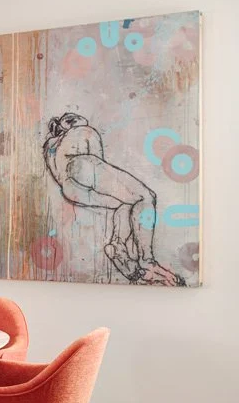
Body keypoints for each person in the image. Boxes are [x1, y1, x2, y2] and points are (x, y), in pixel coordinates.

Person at [43, 112, 183, 286]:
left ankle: (117, 245)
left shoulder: (51, 145)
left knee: (127, 201)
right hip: (82, 167)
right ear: (72, 122)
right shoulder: (83, 131)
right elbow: (96, 161)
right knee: (146, 197)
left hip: (69, 189)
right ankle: (148, 262)